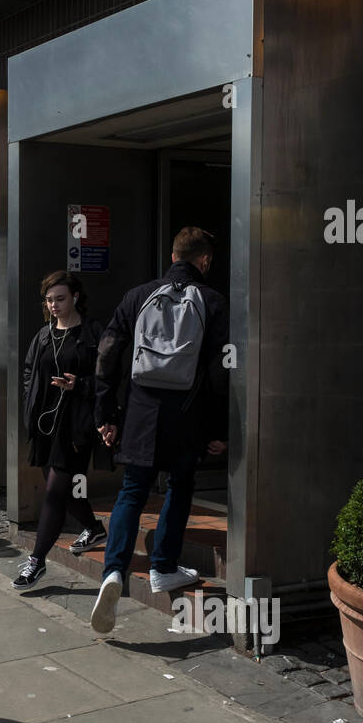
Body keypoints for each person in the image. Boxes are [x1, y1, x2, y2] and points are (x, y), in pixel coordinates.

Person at [90, 227, 230, 635]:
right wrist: (218, 428)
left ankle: (114, 572)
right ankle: (163, 568)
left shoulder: (137, 297)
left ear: (173, 256)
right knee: (180, 485)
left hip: (140, 412)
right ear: (203, 261)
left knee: (133, 491)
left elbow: (107, 354)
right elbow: (221, 370)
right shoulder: (214, 301)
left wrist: (106, 414)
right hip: (186, 415)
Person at [13, 271, 108, 589]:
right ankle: (94, 529)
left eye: (60, 298)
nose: (54, 305)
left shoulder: (93, 333)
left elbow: (108, 378)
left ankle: (37, 562)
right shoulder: (43, 335)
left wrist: (78, 385)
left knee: (54, 493)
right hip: (45, 425)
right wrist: (30, 401)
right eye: (49, 299)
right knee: (62, 492)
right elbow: (29, 369)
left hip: (76, 425)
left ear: (76, 297)